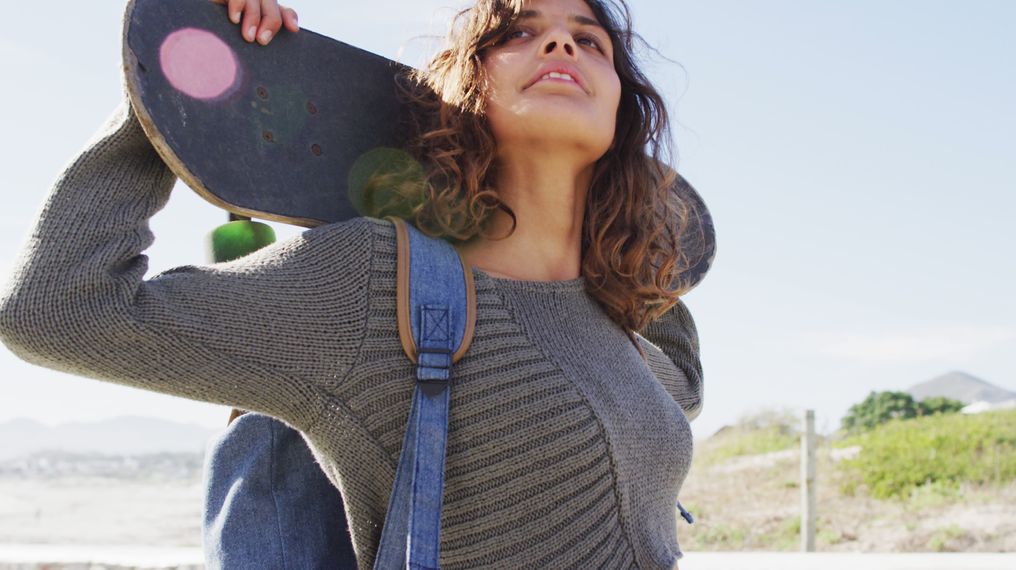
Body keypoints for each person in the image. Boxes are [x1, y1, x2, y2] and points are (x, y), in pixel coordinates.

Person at [0, 0, 704, 568]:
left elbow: (686, 382)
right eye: (518, 31)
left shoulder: (617, 329)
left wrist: (637, 224)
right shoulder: (376, 282)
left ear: (621, 105)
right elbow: (56, 310)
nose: (560, 45)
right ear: (465, 90)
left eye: (590, 40)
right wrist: (172, 98)